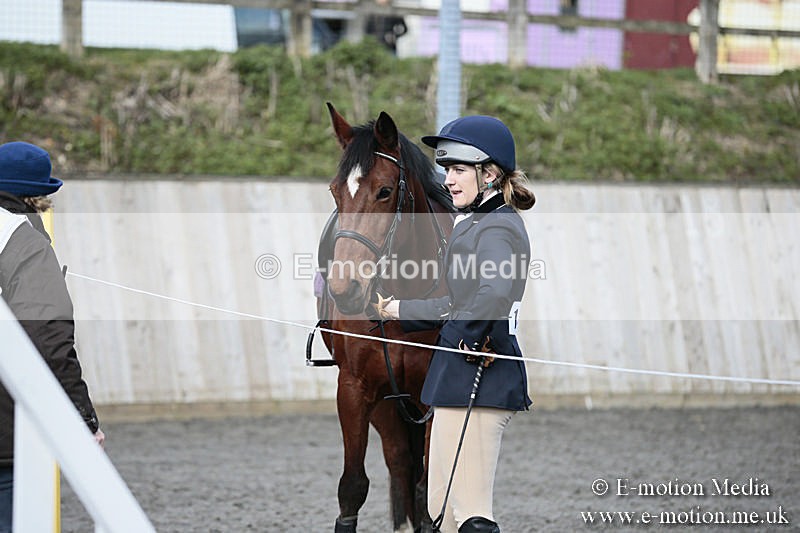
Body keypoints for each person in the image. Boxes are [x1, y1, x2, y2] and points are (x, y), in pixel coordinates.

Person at [374, 116, 536, 533]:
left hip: (480, 377)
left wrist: (470, 339)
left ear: (490, 174)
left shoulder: (497, 227)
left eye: (459, 170)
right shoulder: (477, 223)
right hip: (456, 376)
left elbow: (494, 294)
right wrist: (398, 310)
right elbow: (458, 302)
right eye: (446, 170)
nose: (448, 180)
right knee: (442, 512)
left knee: (471, 514)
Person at [0, 141, 104, 532]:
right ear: (36, 196)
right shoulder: (20, 238)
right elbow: (48, 338)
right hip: (7, 435)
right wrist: (83, 418)